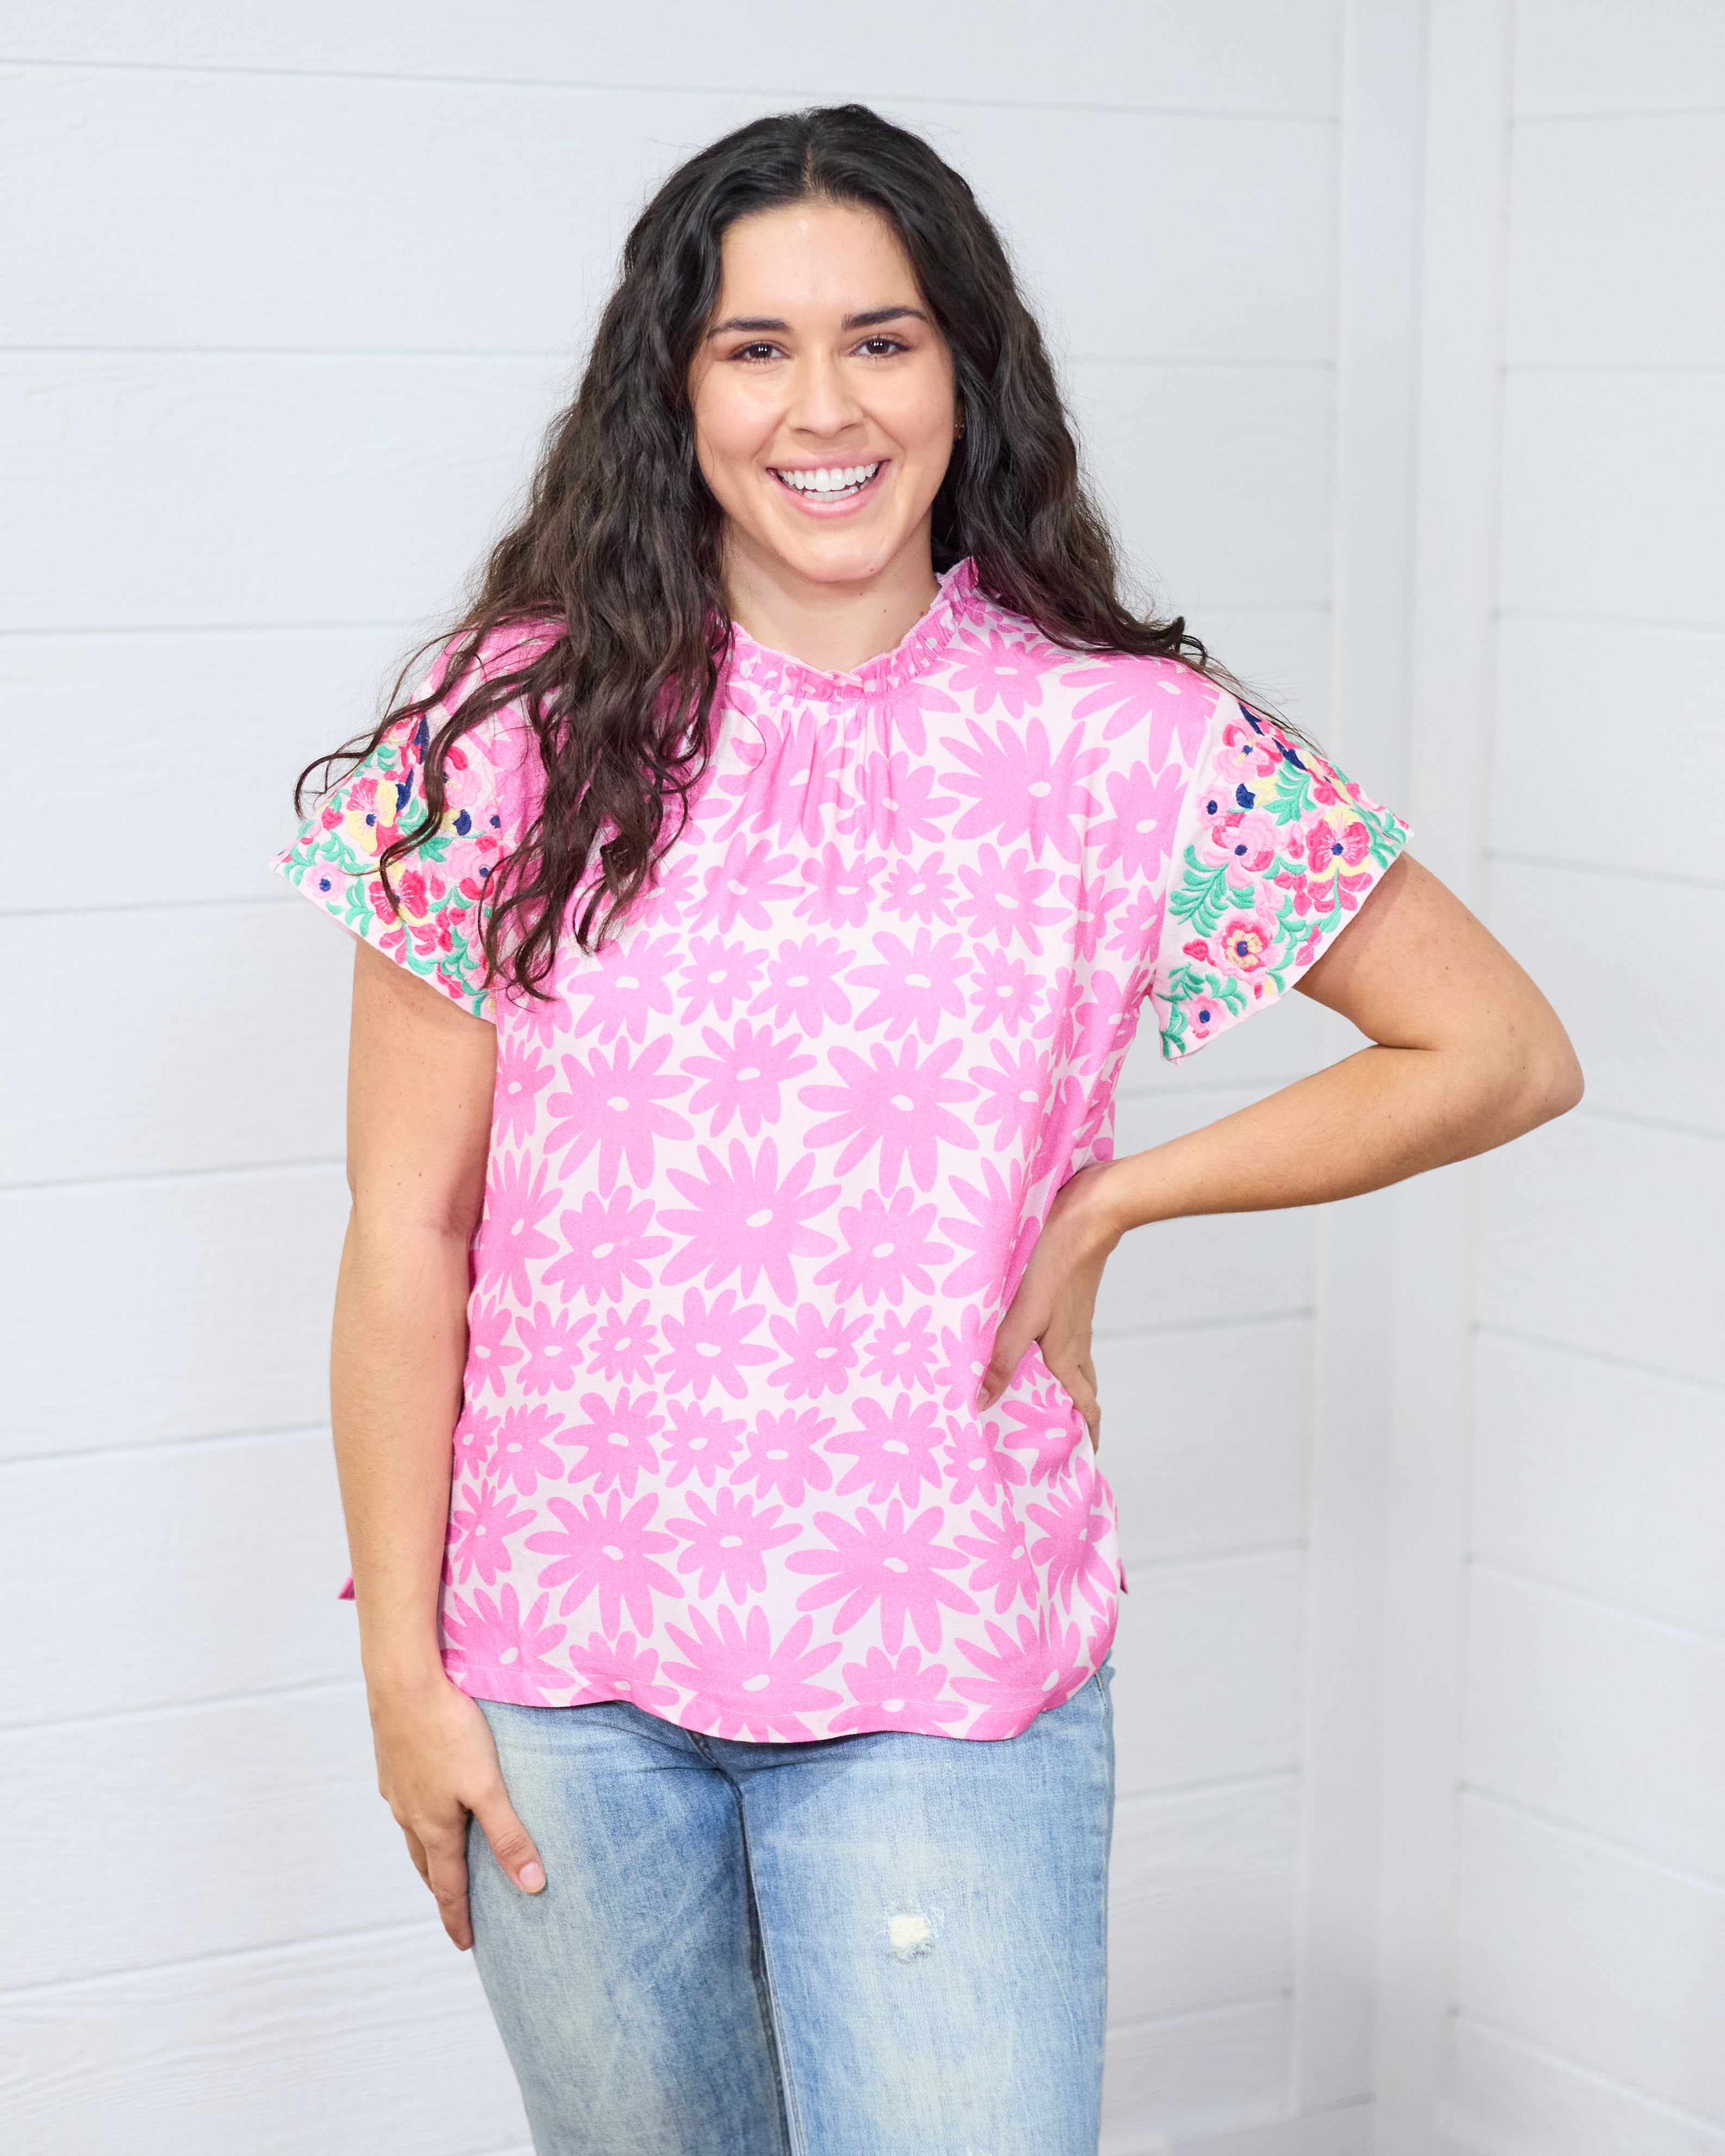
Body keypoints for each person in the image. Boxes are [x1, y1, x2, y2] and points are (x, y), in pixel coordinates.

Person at [276, 103, 1582, 2156]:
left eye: (879, 341)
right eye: (754, 346)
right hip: (555, 1680)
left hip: (944, 1668)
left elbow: (1495, 1046)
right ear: (673, 388)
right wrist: (403, 1676)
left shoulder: (1114, 737)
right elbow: (401, 1234)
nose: (824, 406)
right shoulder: (508, 729)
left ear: (965, 372)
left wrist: (1117, 1198)